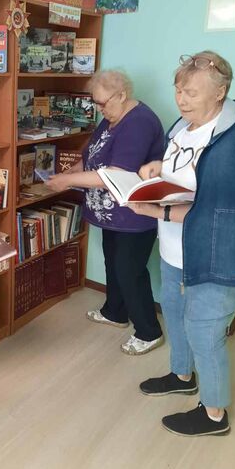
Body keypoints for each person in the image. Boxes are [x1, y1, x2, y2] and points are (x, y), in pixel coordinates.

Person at [129, 51, 235, 436]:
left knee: (204, 332)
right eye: (178, 90)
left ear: (220, 92)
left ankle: (214, 415)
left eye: (192, 93)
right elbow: (180, 174)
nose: (181, 100)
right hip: (173, 249)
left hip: (213, 253)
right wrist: (157, 170)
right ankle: (182, 375)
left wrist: (156, 212)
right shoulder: (182, 126)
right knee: (175, 311)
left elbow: (220, 212)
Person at [46, 70, 165, 355]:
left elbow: (113, 174)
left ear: (122, 95)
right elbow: (92, 156)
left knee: (129, 270)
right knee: (113, 261)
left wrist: (68, 182)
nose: (99, 109)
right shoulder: (112, 116)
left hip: (135, 213)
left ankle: (149, 331)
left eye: (102, 103)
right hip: (113, 214)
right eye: (96, 102)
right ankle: (115, 312)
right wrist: (70, 172)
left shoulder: (139, 122)